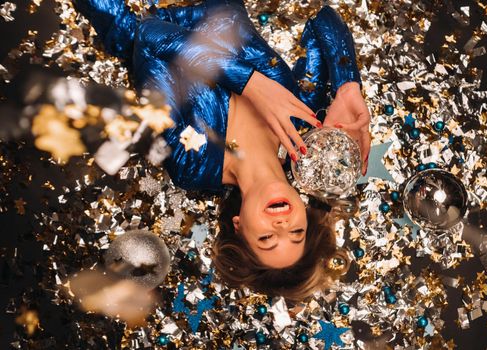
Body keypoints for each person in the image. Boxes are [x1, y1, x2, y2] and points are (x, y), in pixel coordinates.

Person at [73, 0, 371, 301]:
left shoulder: (194, 166)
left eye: (267, 238)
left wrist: (251, 84)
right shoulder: (304, 126)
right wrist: (348, 86)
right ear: (306, 217)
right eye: (297, 233)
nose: (282, 225)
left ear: (239, 226)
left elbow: (149, 36)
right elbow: (324, 20)